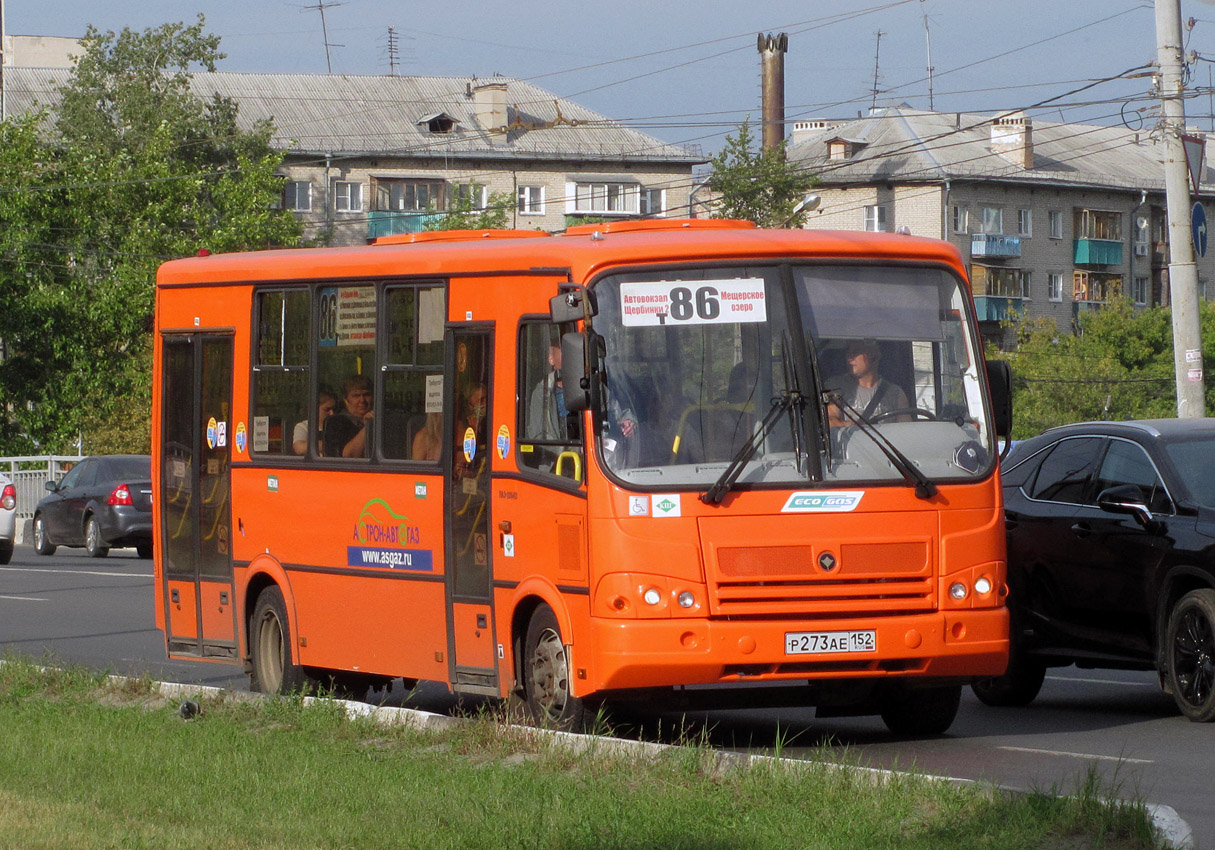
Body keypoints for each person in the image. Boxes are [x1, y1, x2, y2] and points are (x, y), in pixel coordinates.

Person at [825, 339, 909, 426]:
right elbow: (830, 421)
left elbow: (906, 430)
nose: (849, 358)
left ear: (875, 356)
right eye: (848, 353)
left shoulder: (896, 393)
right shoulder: (835, 386)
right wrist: (856, 428)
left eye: (856, 352)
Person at [324, 375, 375, 458]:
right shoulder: (336, 422)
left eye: (366, 395)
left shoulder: (382, 421)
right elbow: (349, 456)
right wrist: (368, 427)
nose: (362, 400)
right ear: (346, 400)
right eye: (356, 396)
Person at [293, 391, 335, 456]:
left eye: (333, 409)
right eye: (327, 409)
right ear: (314, 409)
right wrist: (330, 446)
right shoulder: (303, 426)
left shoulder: (338, 427)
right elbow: (300, 448)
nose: (332, 413)